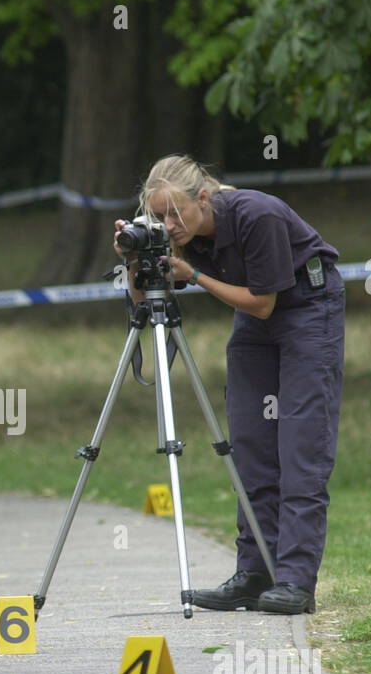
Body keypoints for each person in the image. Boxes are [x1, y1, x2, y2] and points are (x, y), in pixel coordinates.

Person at [114, 154, 345, 614]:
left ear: (204, 197)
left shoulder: (257, 214)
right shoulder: (180, 232)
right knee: (249, 444)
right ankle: (254, 573)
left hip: (306, 307)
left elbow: (262, 303)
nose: (168, 224)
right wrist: (135, 258)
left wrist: (195, 275)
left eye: (174, 213)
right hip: (255, 324)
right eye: (157, 217)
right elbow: (145, 299)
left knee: (300, 443)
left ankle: (296, 581)